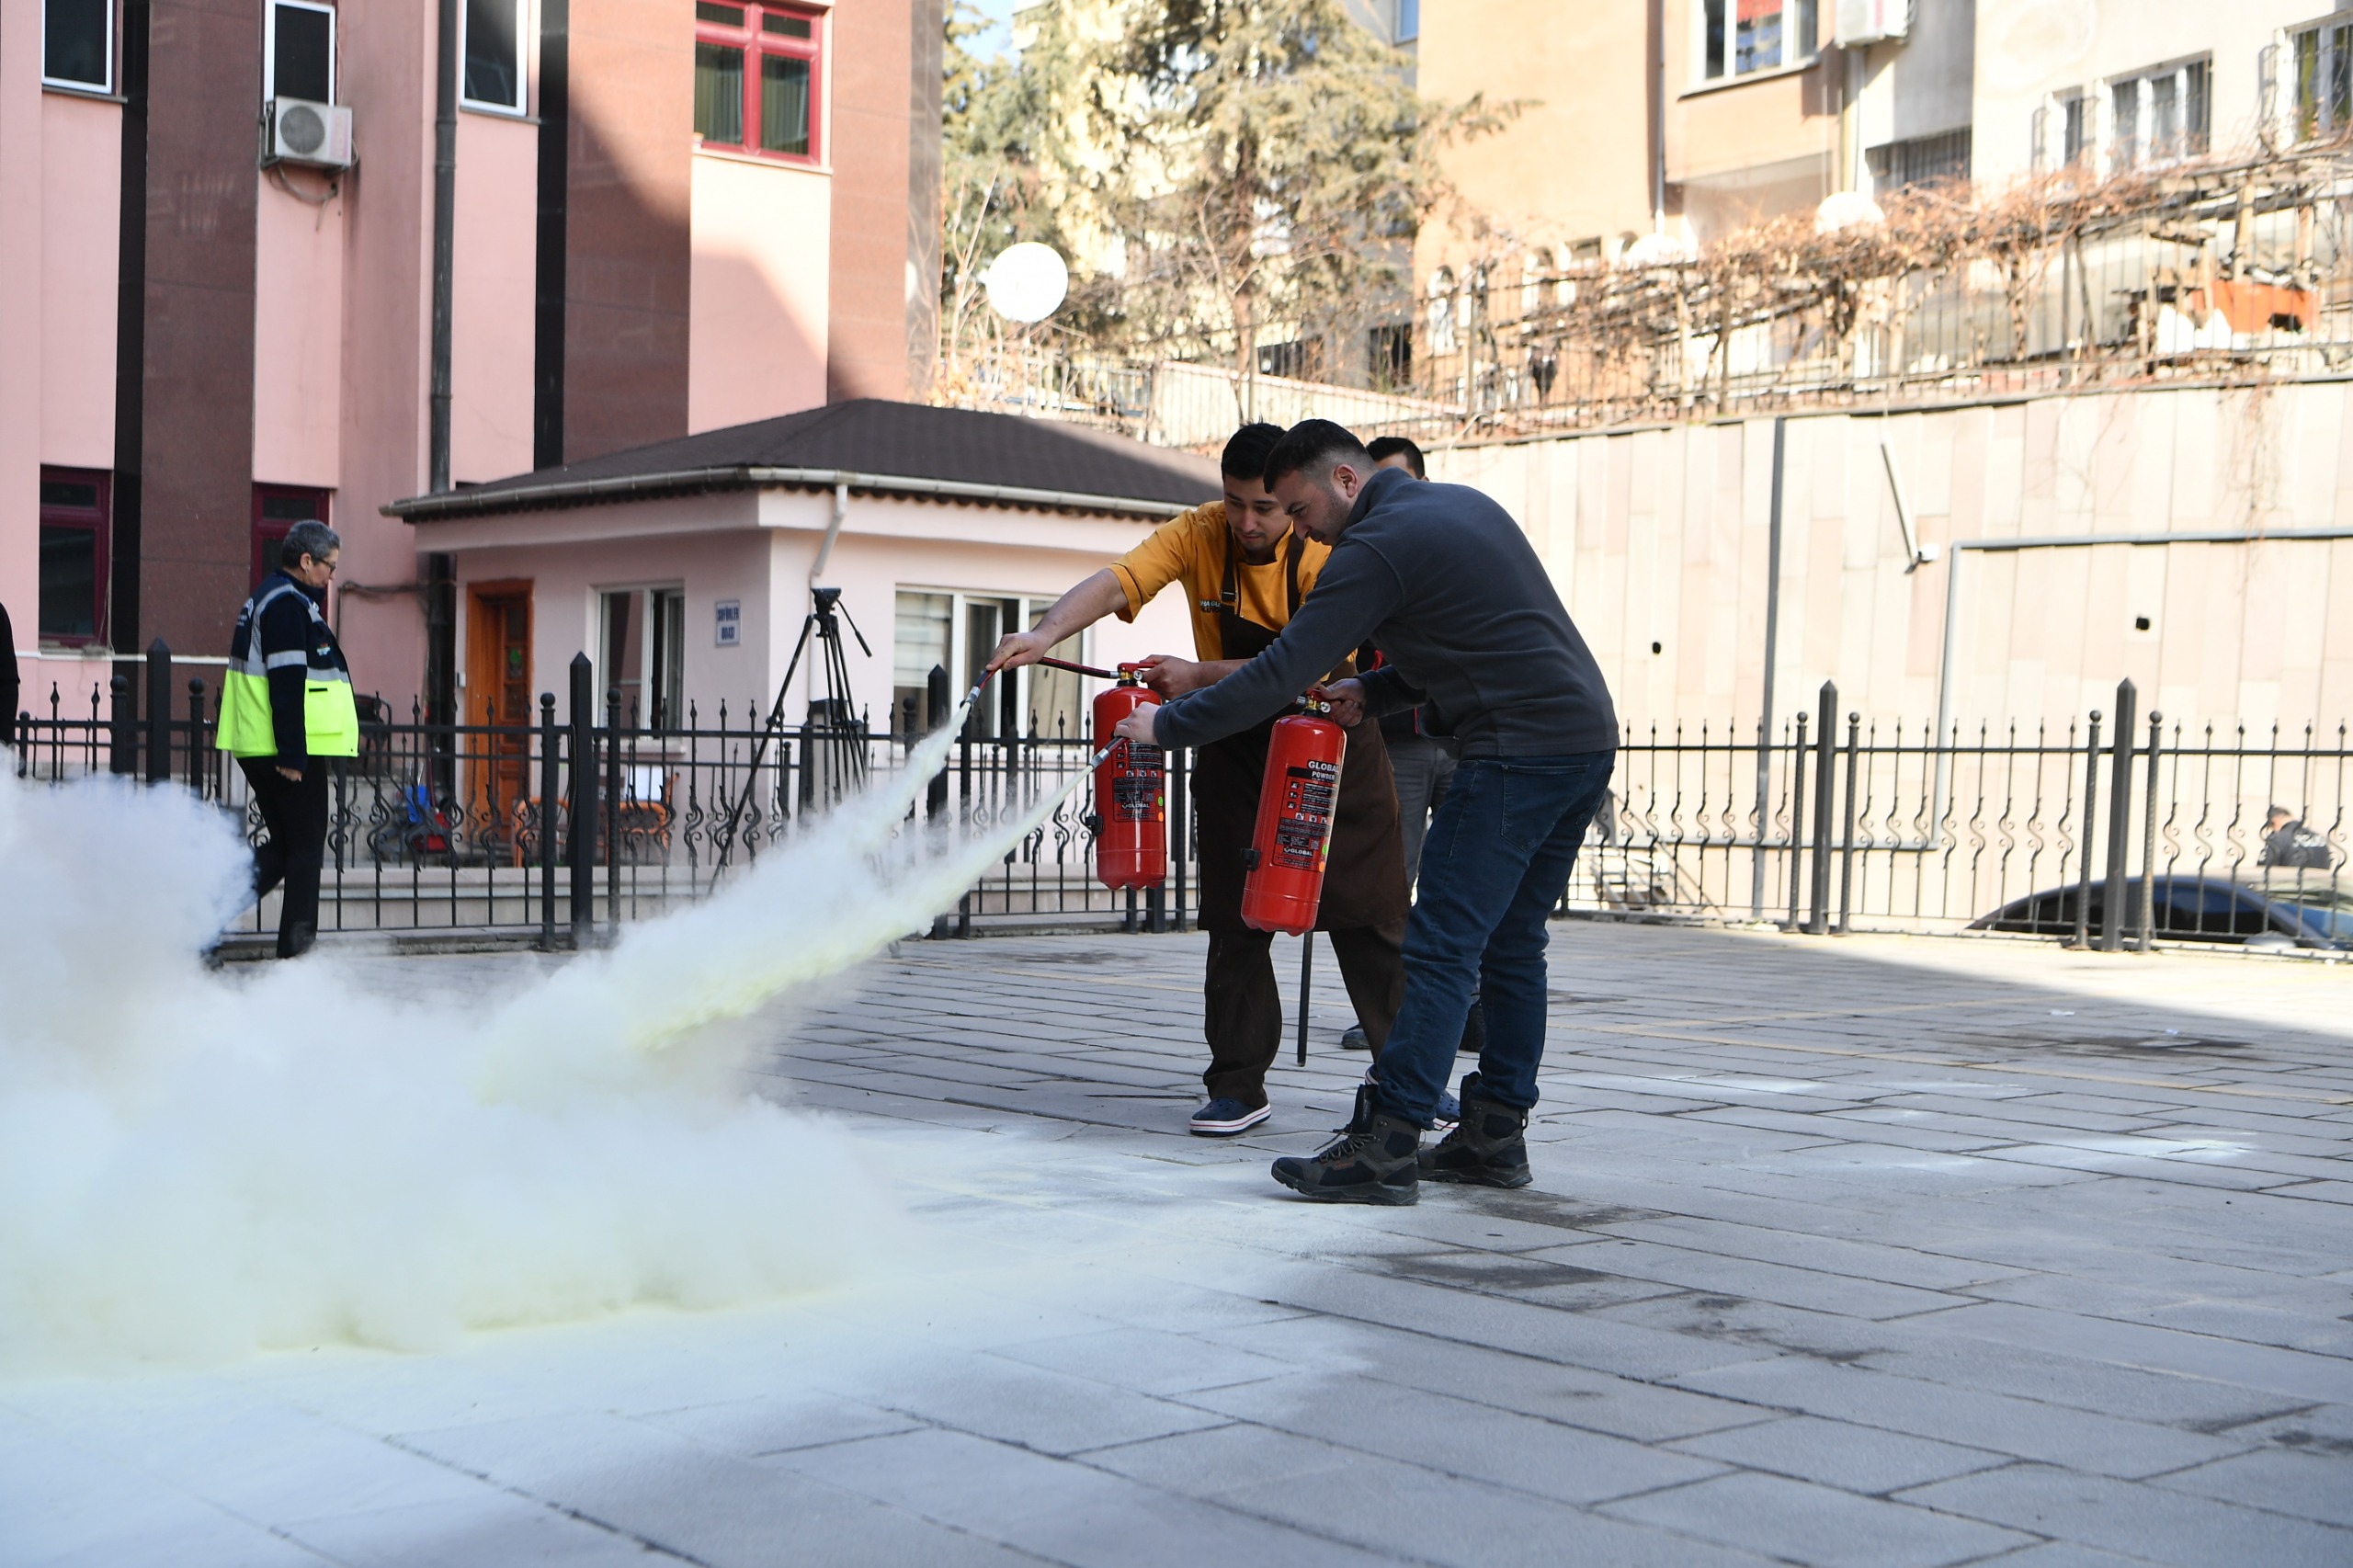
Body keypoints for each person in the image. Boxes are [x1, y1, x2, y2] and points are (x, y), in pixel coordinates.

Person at [1117, 420, 1617, 1203]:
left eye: (1297, 507)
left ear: (1345, 482)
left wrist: (1168, 725)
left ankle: (1386, 1144)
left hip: (1514, 752)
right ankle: (1494, 1134)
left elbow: (1284, 668)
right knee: (1515, 945)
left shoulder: (1371, 546)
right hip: (1582, 740)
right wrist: (1376, 691)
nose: (1294, 527)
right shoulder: (1459, 507)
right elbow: (1470, 640)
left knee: (1443, 945)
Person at [989, 424, 1412, 1137]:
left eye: (1265, 508)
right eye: (1234, 503)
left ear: (1292, 501)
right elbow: (1120, 580)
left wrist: (1195, 676)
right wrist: (1044, 634)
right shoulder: (1198, 534)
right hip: (1235, 742)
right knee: (1233, 913)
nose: (1247, 522)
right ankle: (1238, 1084)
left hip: (1332, 735)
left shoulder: (1327, 550)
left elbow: (1307, 661)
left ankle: (1410, 1079)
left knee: (1371, 917)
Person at [1337, 431, 1483, 1057]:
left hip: (1460, 739)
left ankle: (1465, 1007)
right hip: (1396, 740)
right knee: (1394, 879)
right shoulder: (1367, 555)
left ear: (1417, 483)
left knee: (1468, 881)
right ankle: (1393, 1007)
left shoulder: (1447, 539)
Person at [218, 520, 359, 958]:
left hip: (265, 742)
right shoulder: (284, 604)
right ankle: (298, 954)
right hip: (282, 747)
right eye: (328, 567)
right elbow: (286, 682)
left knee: (285, 848)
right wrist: (294, 753)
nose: (331, 576)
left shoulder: (275, 597)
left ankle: (200, 917)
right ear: (306, 561)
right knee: (304, 848)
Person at [2260, 806, 2334, 871]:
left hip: (2290, 884)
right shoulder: (2318, 836)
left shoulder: (2278, 838)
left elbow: (2265, 868)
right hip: (2320, 884)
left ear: (2275, 821)